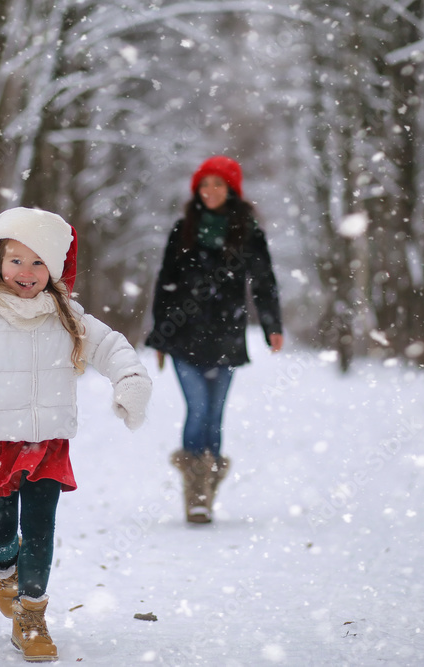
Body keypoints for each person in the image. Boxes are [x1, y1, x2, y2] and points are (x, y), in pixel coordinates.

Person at [0, 207, 152, 662]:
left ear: (56, 269)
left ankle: (32, 613)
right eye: (16, 260)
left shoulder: (66, 315)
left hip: (49, 442)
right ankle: (5, 567)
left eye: (38, 262)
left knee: (40, 530)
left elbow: (111, 346)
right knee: (1, 532)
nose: (26, 272)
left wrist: (132, 381)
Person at [146, 155, 283, 524]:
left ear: (231, 190)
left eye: (217, 185)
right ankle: (196, 494)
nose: (209, 192)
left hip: (226, 336)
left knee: (215, 417)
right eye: (204, 185)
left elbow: (264, 281)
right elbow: (166, 283)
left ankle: (206, 489)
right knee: (198, 410)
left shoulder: (248, 232)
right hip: (183, 336)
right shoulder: (183, 229)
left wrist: (273, 326)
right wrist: (160, 335)